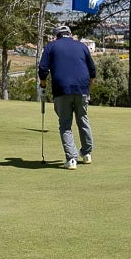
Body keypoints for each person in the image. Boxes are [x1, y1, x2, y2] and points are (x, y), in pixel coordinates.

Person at [37, 25, 96, 170]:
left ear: (57, 35)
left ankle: (71, 159)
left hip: (62, 89)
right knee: (83, 119)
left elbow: (43, 69)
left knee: (65, 124)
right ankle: (87, 153)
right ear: (70, 34)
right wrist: (88, 90)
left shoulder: (51, 46)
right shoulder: (82, 46)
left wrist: (43, 84)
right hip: (82, 89)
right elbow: (92, 71)